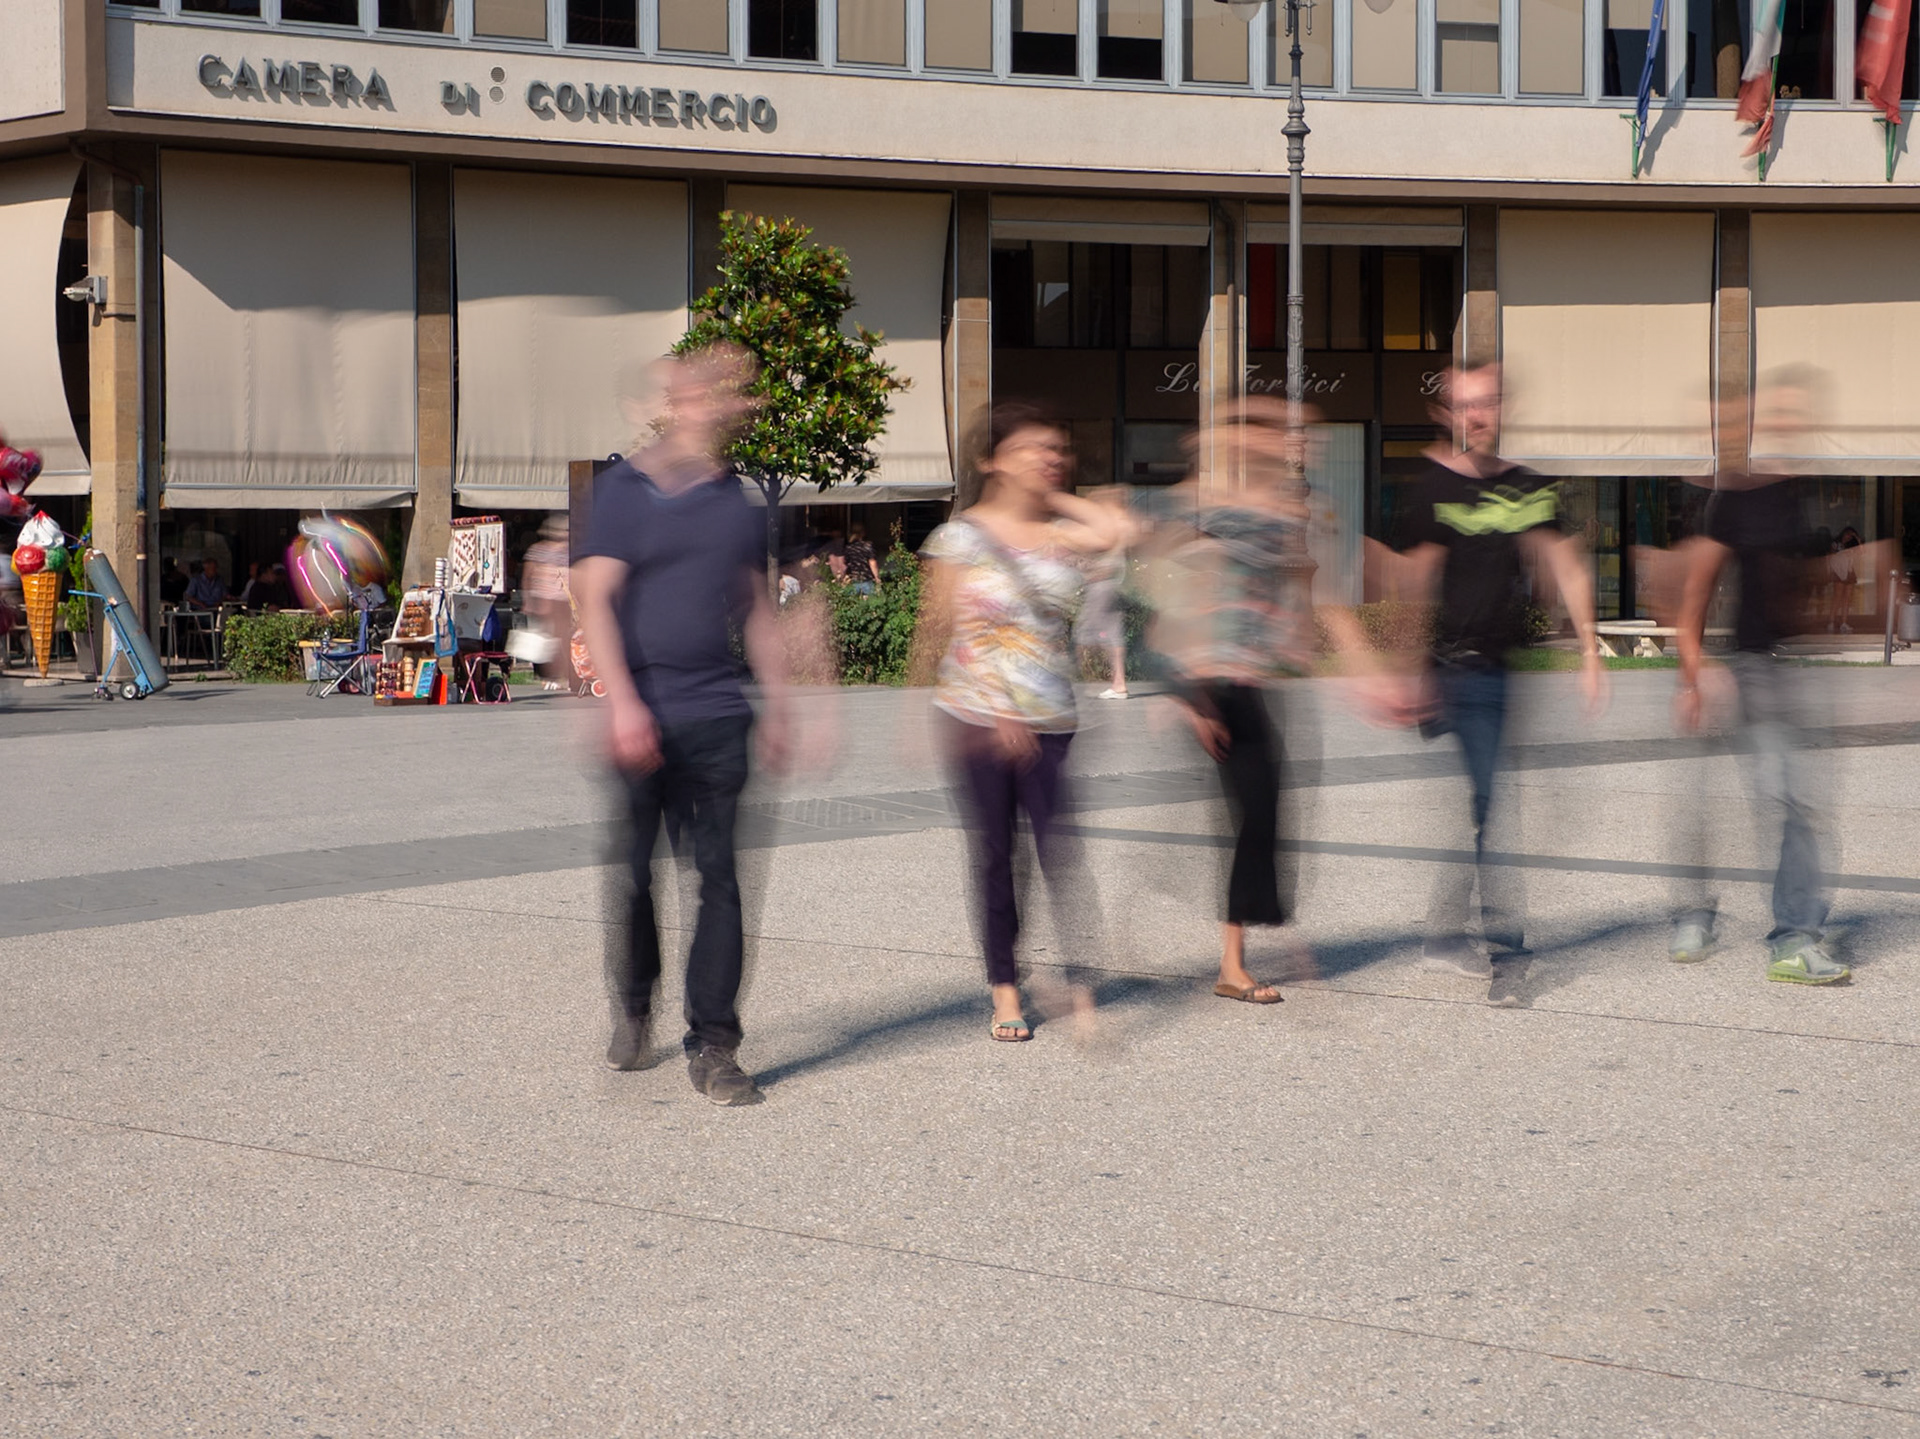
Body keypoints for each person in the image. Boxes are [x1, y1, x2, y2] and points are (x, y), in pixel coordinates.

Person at [573, 344, 791, 1106]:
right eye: (703, 389)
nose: (718, 402)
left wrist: (783, 701)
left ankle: (716, 1043)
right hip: (645, 711)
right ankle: (635, 1001)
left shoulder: (738, 501)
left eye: (730, 391)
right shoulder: (624, 490)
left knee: (721, 880)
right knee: (636, 873)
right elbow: (594, 597)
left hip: (717, 712)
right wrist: (622, 701)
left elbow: (755, 606)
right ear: (676, 399)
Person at [1374, 363, 1605, 983]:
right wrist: (1404, 671)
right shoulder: (1431, 489)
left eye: (1487, 404)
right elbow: (1413, 582)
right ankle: (1495, 940)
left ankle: (1458, 934)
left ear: (1503, 410)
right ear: (1448, 414)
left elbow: (1567, 564)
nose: (1477, 416)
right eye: (1464, 406)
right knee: (1487, 799)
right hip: (1449, 669)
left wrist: (1588, 648)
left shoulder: (1529, 488)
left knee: (1484, 798)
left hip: (1497, 669)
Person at [1148, 399, 1382, 1006]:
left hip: (1252, 683)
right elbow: (1169, 589)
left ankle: (1236, 954)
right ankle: (1232, 962)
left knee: (1264, 817)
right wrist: (1189, 693)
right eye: (1281, 440)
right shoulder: (1208, 502)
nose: (1293, 450)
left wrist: (1353, 661)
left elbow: (1315, 589)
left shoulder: (1282, 509)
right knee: (1251, 816)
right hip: (1211, 685)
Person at [913, 402, 1130, 1042]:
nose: (1050, 457)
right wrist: (999, 709)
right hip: (977, 717)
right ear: (992, 458)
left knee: (1061, 852)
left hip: (1054, 716)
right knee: (997, 856)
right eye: (1034, 447)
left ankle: (1077, 983)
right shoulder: (959, 536)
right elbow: (947, 628)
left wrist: (1054, 493)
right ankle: (1005, 989)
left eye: (1057, 448)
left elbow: (1118, 528)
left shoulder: (1060, 532)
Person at [1672, 368, 1876, 985]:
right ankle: (1759, 930)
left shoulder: (1801, 492)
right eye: (1777, 414)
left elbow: (1803, 585)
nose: (1788, 424)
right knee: (1758, 799)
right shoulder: (1736, 494)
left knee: (1793, 803)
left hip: (1794, 673)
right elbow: (1695, 593)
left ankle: (1774, 929)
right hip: (1751, 670)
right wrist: (1694, 671)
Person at [1079, 491, 1130, 700]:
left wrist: (1087, 569)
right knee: (1112, 633)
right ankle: (1119, 684)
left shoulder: (1107, 528)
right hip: (1113, 586)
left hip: (1102, 587)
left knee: (1085, 632)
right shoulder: (1119, 525)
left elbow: (1107, 565)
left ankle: (1083, 680)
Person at [842, 522, 880, 596]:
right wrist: (877, 577)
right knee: (871, 604)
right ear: (863, 533)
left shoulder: (848, 547)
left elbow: (845, 563)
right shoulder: (868, 546)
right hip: (866, 579)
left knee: (852, 604)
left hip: (853, 580)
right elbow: (872, 562)